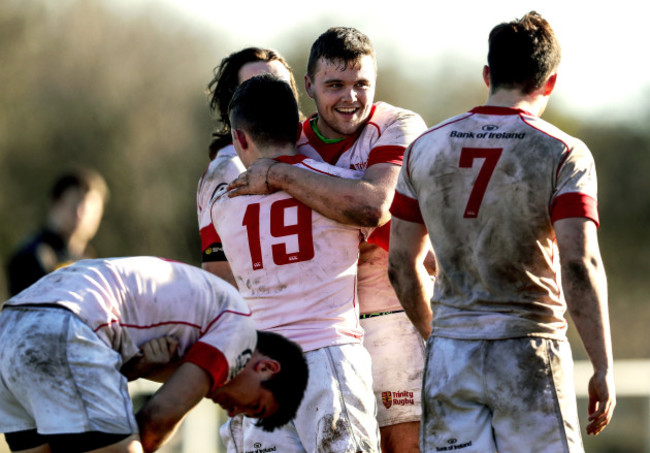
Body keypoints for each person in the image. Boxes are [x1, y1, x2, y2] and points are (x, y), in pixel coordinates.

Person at [388, 11, 615, 452]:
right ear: (549, 82)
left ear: (488, 74)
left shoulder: (425, 148)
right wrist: (602, 365)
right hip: (529, 350)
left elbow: (402, 265)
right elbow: (579, 263)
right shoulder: (563, 152)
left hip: (452, 352)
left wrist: (440, 338)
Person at [227, 27, 429, 452]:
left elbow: (375, 207)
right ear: (308, 87)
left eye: (361, 85)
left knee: (405, 444)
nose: (350, 98)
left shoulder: (397, 124)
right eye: (335, 85)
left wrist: (280, 175)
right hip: (327, 330)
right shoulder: (289, 138)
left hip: (395, 313)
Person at [210, 74, 380, 452]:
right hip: (329, 358)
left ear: (240, 139)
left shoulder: (222, 206)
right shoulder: (344, 186)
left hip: (257, 366)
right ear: (299, 126)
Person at [0, 256, 308, 453]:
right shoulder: (240, 330)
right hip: (67, 323)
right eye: (253, 406)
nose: (232, 412)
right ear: (266, 367)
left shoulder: (199, 326)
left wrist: (134, 368)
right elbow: (157, 420)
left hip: (12, 326)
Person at [197, 47, 301, 280]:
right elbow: (218, 272)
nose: (270, 94)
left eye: (279, 85)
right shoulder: (227, 169)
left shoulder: (312, 155)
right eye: (254, 85)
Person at [6, 166, 109, 296]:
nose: (80, 214)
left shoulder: (91, 260)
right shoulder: (31, 257)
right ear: (55, 205)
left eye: (90, 209)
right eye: (74, 205)